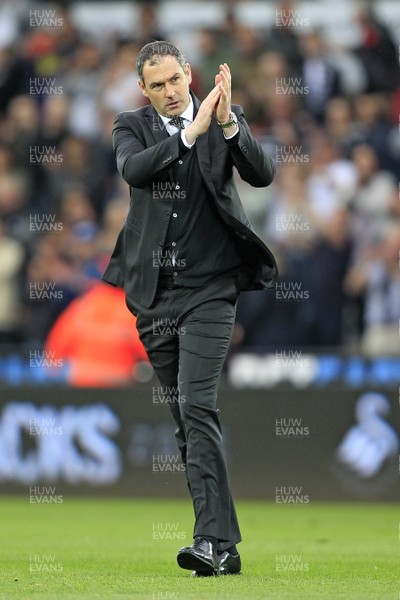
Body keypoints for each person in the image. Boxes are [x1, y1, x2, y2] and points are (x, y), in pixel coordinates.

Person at [102, 40, 277, 577]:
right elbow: (135, 172)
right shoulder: (130, 126)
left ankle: (207, 540)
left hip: (210, 291)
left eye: (175, 79)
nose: (170, 92)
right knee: (186, 422)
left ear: (189, 74)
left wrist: (225, 126)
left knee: (198, 406)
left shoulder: (222, 117)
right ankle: (223, 547)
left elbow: (262, 173)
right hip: (155, 295)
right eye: (157, 85)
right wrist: (191, 134)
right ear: (144, 90)